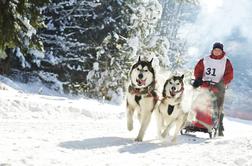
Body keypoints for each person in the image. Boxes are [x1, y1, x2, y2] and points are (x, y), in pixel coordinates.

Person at [192, 42, 234, 136]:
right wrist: (198, 79)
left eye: (219, 50)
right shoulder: (205, 59)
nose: (217, 52)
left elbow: (229, 75)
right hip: (206, 85)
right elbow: (198, 69)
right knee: (199, 103)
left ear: (222, 51)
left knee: (217, 106)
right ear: (212, 50)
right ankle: (198, 122)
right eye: (215, 50)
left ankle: (218, 126)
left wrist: (222, 83)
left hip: (219, 87)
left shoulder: (226, 61)